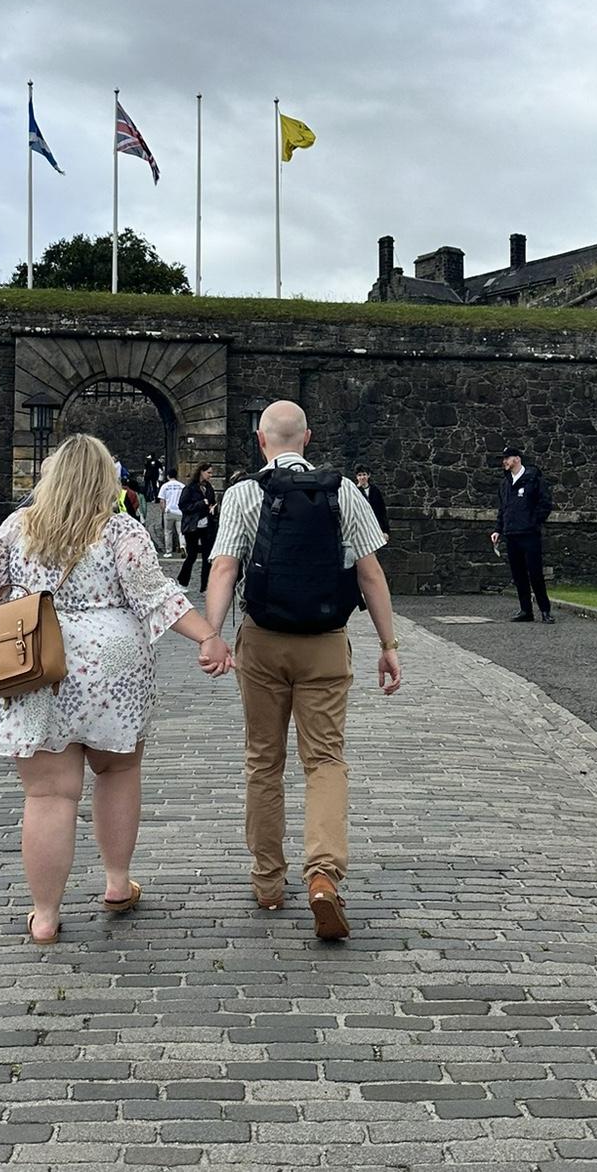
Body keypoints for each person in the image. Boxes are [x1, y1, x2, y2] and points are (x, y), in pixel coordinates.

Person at [0, 433, 232, 944]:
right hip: (114, 666)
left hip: (37, 661)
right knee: (118, 772)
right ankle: (117, 882)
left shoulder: (17, 528)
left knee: (48, 794)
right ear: (105, 480)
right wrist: (207, 635)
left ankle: (45, 915)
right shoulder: (121, 529)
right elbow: (155, 596)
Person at [203, 400, 402, 941]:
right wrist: (388, 644)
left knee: (263, 761)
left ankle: (269, 881)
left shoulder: (243, 493)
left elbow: (224, 568)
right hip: (325, 643)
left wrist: (212, 634)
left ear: (260, 440)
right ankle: (323, 875)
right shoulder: (344, 492)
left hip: (263, 641)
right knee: (325, 760)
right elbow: (371, 574)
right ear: (307, 438)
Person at [490, 444, 555, 624]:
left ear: (517, 459)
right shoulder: (505, 484)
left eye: (507, 458)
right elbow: (503, 509)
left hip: (529, 534)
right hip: (512, 534)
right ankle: (526, 610)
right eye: (504, 459)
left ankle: (545, 610)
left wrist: (534, 521)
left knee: (535, 574)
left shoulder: (533, 479)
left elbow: (545, 503)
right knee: (518, 575)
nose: (504, 462)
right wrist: (498, 529)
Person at [175, 462, 218, 592]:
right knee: (192, 555)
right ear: (201, 472)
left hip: (207, 525)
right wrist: (200, 504)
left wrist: (213, 508)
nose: (210, 475)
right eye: (208, 472)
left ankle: (205, 586)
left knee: (207, 556)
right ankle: (182, 582)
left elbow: (212, 502)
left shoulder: (209, 488)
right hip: (192, 526)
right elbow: (183, 506)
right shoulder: (189, 488)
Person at [353, 466, 390, 536]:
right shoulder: (354, 491)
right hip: (361, 528)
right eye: (359, 475)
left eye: (364, 474)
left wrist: (385, 531)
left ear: (368, 475)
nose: (362, 477)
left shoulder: (375, 490)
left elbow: (382, 511)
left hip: (376, 525)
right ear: (356, 477)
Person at [158, 468, 185, 556]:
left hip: (169, 511)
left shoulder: (165, 486)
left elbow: (162, 500)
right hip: (179, 511)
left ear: (168, 476)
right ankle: (183, 546)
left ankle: (168, 551)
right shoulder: (182, 486)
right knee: (181, 532)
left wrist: (163, 511)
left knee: (168, 532)